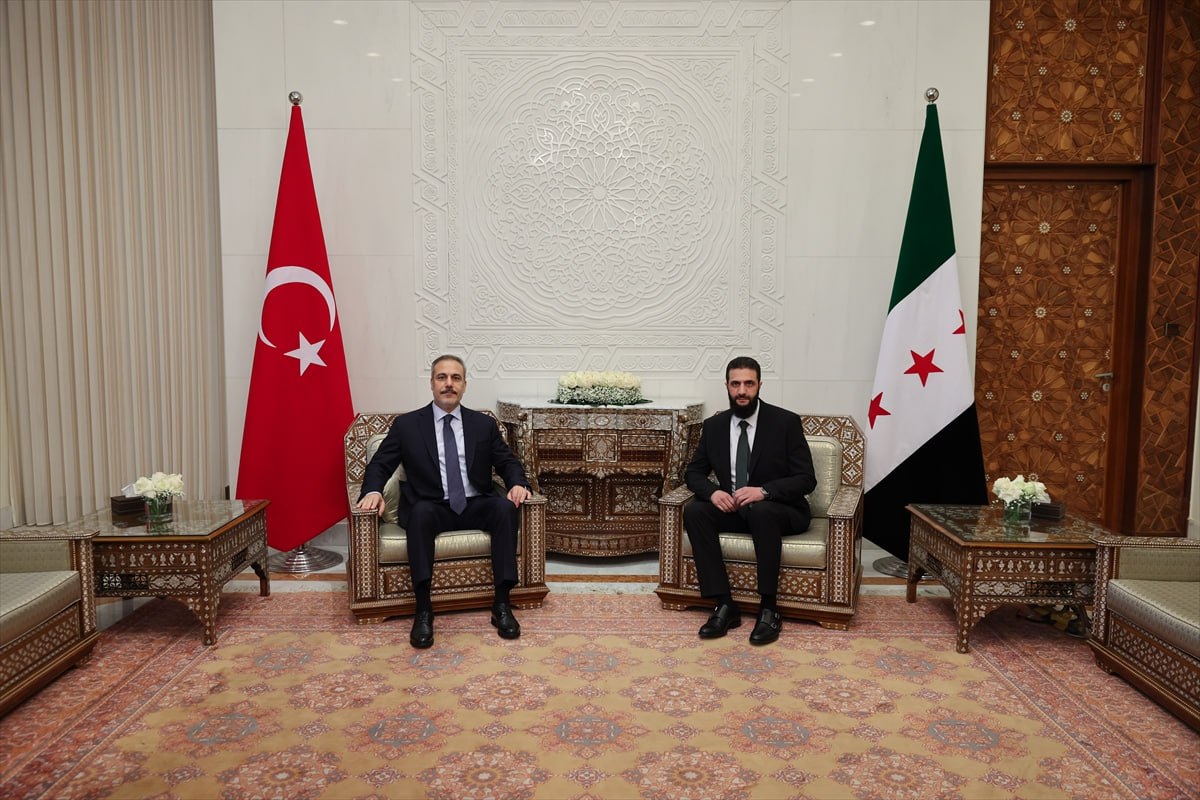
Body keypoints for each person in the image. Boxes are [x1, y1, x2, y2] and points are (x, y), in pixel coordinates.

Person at [357, 355, 532, 648]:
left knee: (503, 508)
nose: (449, 384)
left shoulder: (483, 425)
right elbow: (380, 464)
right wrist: (372, 491)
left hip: (474, 503)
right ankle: (423, 609)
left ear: (464, 385)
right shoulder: (407, 425)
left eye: (455, 378)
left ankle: (502, 603)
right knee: (421, 513)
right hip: (432, 506)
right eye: (442, 377)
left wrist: (517, 483)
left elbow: (507, 461)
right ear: (432, 384)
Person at [683, 356, 816, 645]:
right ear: (727, 386)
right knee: (695, 512)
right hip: (736, 510)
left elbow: (806, 479)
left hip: (780, 510)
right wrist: (713, 492)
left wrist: (764, 491)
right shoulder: (714, 426)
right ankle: (724, 604)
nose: (742, 391)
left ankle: (769, 608)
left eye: (748, 384)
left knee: (761, 512)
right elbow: (693, 472)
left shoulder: (785, 422)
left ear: (759, 385)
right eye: (735, 384)